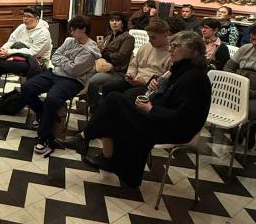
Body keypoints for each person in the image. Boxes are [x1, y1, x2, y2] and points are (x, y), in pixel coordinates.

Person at [59, 32, 211, 189]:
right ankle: (120, 168)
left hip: (176, 128)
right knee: (116, 110)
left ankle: (86, 141)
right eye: (171, 45)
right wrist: (157, 87)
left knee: (115, 101)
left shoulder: (195, 78)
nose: (170, 49)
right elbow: (170, 96)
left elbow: (184, 117)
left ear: (194, 51)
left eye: (176, 46)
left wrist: (151, 109)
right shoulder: (182, 69)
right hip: (163, 116)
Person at [19, 15, 100, 157]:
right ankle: (43, 115)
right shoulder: (69, 41)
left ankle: (44, 137)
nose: (71, 33)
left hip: (74, 81)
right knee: (27, 87)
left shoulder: (90, 50)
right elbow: (55, 56)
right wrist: (67, 61)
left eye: (74, 30)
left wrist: (64, 61)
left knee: (52, 99)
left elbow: (74, 70)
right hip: (56, 73)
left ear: (83, 29)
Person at [0, 6, 51, 117]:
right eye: (24, 16)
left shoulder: (43, 32)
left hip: (36, 63)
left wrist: (9, 52)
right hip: (18, 58)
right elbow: (11, 41)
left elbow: (33, 52)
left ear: (37, 18)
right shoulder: (21, 27)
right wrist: (3, 49)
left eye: (28, 17)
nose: (25, 19)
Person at [100, 18, 172, 100]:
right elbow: (133, 64)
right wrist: (130, 74)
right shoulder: (146, 46)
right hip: (135, 80)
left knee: (126, 95)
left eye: (153, 37)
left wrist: (145, 81)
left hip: (149, 86)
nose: (149, 40)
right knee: (108, 87)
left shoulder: (171, 53)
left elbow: (165, 78)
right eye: (149, 37)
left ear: (165, 35)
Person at [87, 13, 134, 111]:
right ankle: (91, 103)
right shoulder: (108, 37)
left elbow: (121, 56)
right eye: (112, 20)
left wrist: (106, 54)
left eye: (117, 20)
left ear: (123, 23)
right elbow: (102, 53)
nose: (114, 23)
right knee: (83, 76)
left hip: (117, 71)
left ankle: (97, 108)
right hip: (103, 66)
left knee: (93, 81)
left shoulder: (128, 38)